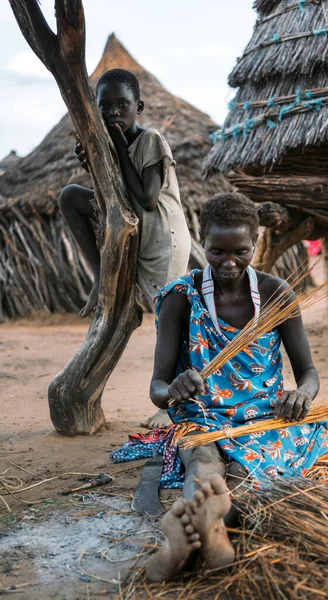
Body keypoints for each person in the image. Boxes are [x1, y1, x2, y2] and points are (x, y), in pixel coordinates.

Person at [111, 192, 328, 582]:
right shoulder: (180, 298)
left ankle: (206, 523)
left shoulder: (275, 293)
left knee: (251, 472)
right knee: (202, 458)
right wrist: (173, 389)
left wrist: (302, 394)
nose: (229, 263)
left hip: (266, 413)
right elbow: (157, 388)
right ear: (202, 241)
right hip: (201, 415)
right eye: (216, 251)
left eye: (240, 252)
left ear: (255, 242)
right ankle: (206, 525)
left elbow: (309, 373)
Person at [58, 68, 191, 429]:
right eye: (106, 106)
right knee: (70, 196)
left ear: (139, 106)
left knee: (169, 322)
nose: (114, 111)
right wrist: (98, 164)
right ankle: (98, 276)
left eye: (123, 104)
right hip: (134, 232)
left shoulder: (151, 139)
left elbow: (147, 198)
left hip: (163, 236)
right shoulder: (110, 145)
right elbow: (114, 195)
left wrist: (115, 147)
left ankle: (171, 405)